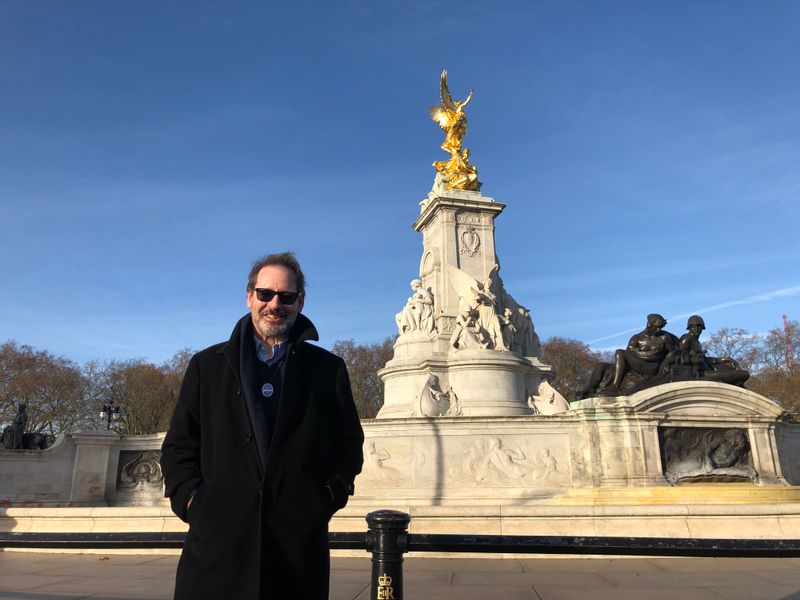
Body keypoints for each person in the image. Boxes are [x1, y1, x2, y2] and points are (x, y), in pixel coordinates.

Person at [161, 252, 364, 600]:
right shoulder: (206, 366)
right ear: (249, 297)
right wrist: (194, 502)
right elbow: (179, 445)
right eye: (265, 294)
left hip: (295, 549)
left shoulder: (328, 370)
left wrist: (324, 499)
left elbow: (347, 446)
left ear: (300, 301)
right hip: (217, 546)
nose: (274, 304)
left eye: (286, 297)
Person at [609, 313, 677, 390]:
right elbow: (628, 355)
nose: (659, 330)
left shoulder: (664, 337)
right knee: (620, 352)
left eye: (660, 327)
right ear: (649, 325)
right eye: (657, 327)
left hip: (652, 367)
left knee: (620, 353)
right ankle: (615, 385)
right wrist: (646, 354)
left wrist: (666, 361)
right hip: (639, 364)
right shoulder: (636, 338)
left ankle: (615, 385)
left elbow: (673, 351)